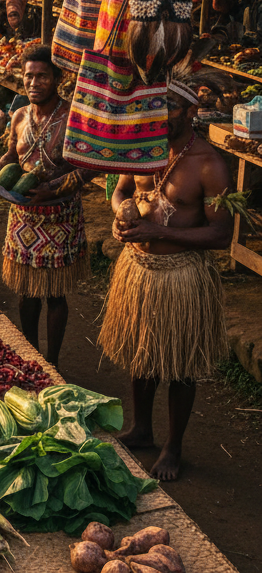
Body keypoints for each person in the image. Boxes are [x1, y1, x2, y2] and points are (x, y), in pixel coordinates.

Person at [99, 68, 232, 482]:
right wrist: (121, 213)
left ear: (192, 109)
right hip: (139, 271)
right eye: (156, 104)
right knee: (142, 352)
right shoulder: (144, 146)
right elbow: (121, 190)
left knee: (180, 362)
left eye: (170, 105)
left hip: (182, 276)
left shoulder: (208, 164)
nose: (160, 114)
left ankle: (173, 446)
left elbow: (221, 233)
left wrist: (160, 231)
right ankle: (141, 428)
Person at [0, 45, 95, 366]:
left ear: (58, 79)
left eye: (42, 76)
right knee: (27, 292)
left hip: (60, 215)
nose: (33, 82)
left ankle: (52, 361)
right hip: (23, 215)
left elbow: (89, 167)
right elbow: (12, 157)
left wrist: (54, 188)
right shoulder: (19, 115)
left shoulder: (73, 118)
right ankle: (31, 357)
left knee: (55, 294)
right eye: (29, 76)